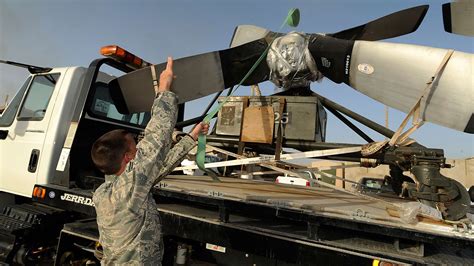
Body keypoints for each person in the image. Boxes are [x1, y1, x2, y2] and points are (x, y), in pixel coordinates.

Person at [91, 57, 209, 265]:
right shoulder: (129, 188)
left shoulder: (107, 191)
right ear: (128, 158)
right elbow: (157, 136)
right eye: (135, 147)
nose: (140, 148)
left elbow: (159, 166)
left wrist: (192, 137)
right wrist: (164, 89)